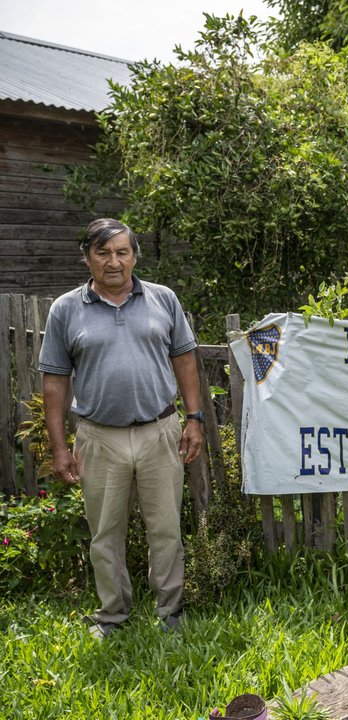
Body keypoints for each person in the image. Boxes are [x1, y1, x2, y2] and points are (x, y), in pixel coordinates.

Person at [39, 218, 205, 639]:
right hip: (98, 437)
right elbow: (55, 381)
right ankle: (112, 615)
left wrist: (195, 419)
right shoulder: (66, 309)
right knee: (105, 534)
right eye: (103, 252)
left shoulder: (163, 299)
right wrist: (60, 448)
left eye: (122, 252)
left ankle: (170, 611)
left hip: (160, 430)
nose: (113, 262)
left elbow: (185, 360)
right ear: (88, 257)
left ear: (134, 256)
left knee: (166, 528)